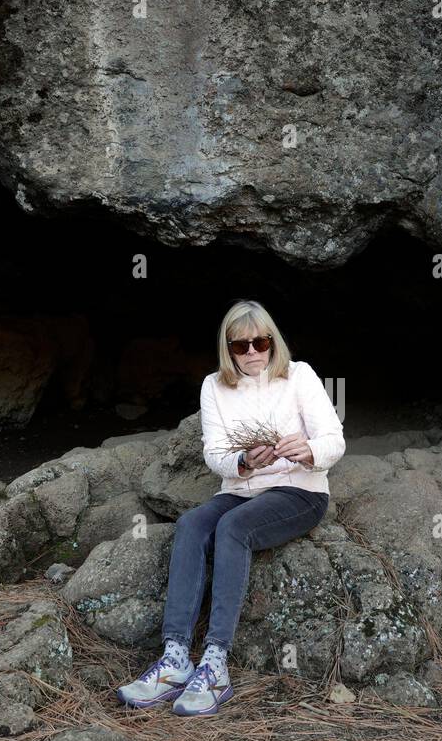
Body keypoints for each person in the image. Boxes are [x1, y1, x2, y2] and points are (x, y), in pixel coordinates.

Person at [116, 299, 345, 716]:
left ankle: (216, 662)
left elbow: (334, 438)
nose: (253, 352)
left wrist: (309, 450)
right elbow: (215, 453)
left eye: (261, 342)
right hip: (240, 488)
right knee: (190, 525)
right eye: (241, 347)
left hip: (299, 491)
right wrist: (243, 462)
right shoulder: (214, 386)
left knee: (233, 529)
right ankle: (175, 657)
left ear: (273, 341)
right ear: (229, 350)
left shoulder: (300, 375)